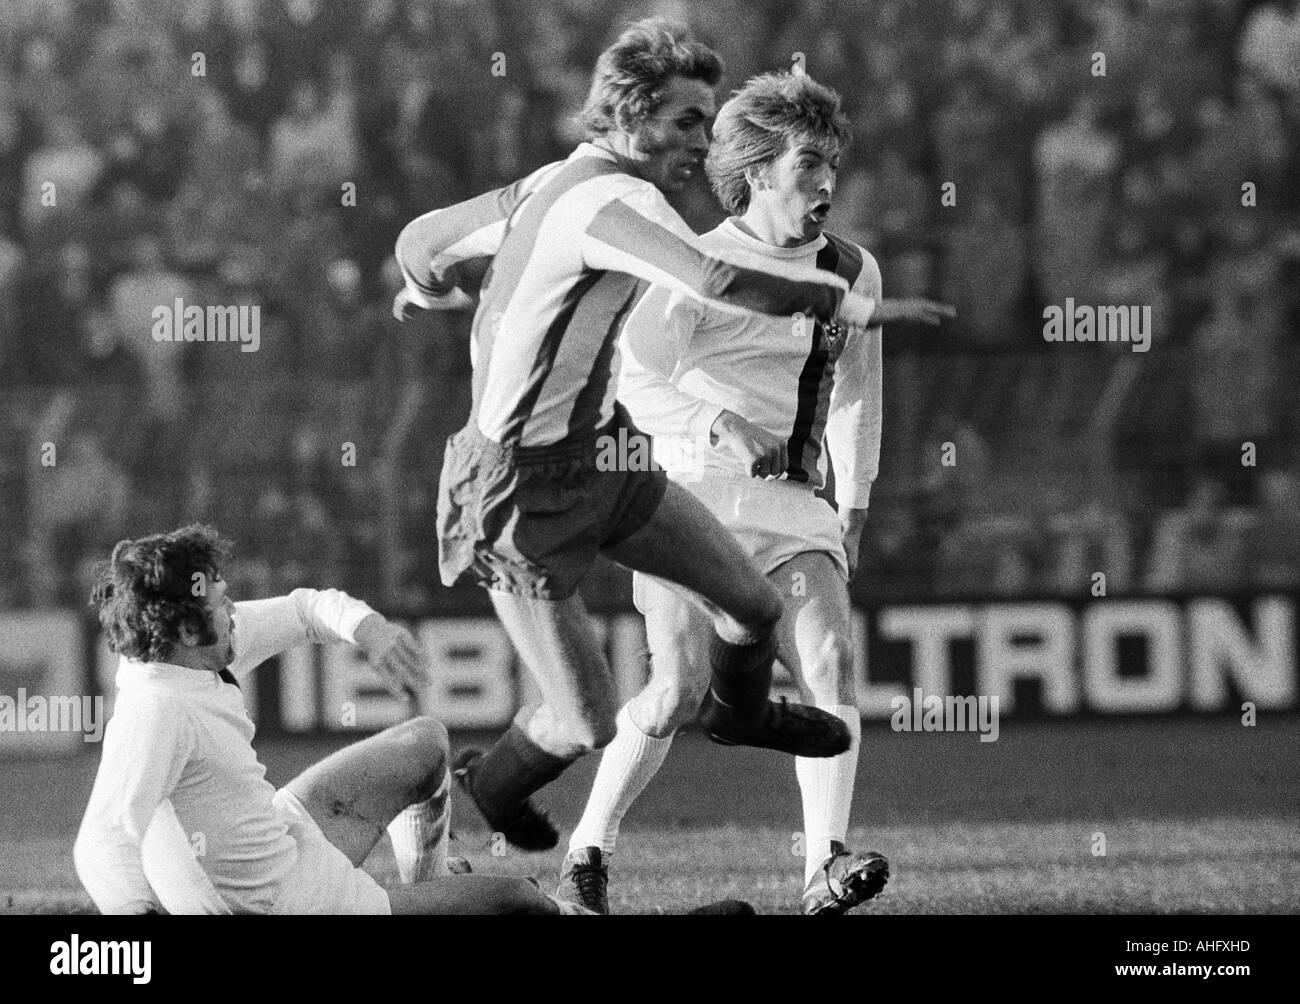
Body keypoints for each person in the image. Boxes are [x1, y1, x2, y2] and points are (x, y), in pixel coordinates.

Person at [393, 19, 953, 852]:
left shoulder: (549, 183)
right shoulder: (607, 200)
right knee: (585, 719)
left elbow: (421, 238)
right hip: (515, 483)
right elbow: (713, 277)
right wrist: (853, 305)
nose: (705, 140)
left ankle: (742, 715)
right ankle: (484, 784)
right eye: (688, 121)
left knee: (756, 606)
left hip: (602, 452)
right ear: (628, 113)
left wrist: (425, 281)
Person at [559, 72, 895, 915]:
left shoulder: (854, 271)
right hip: (684, 502)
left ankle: (823, 865)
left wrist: (852, 505)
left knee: (831, 667)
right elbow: (633, 377)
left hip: (793, 511)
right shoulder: (701, 267)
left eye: (832, 165)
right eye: (809, 164)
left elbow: (858, 393)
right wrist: (718, 425)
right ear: (757, 173)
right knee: (672, 693)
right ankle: (586, 853)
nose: (827, 184)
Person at [73, 524, 584, 915]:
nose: (231, 604)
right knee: (519, 901)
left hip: (285, 840)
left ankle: (425, 886)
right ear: (185, 629)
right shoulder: (157, 707)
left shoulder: (186, 650)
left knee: (426, 742)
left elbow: (304, 611)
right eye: (219, 599)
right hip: (302, 904)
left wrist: (372, 632)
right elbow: (104, 839)